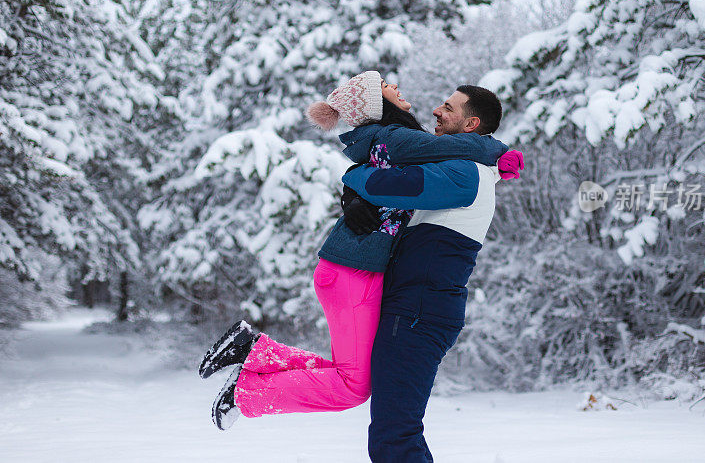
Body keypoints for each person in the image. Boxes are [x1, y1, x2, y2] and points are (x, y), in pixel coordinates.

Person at [196, 71, 520, 430]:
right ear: (377, 105)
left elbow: (424, 159)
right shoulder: (398, 138)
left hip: (356, 270)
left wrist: (355, 187)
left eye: (448, 106)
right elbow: (434, 156)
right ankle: (247, 391)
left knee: (352, 378)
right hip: (354, 270)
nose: (435, 108)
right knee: (353, 387)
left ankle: (253, 352)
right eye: (386, 87)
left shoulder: (397, 142)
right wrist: (497, 152)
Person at [341, 85, 524, 462]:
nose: (437, 110)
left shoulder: (466, 175)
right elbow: (419, 151)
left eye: (449, 107)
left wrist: (354, 173)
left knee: (395, 433)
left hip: (418, 313)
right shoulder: (458, 165)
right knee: (394, 430)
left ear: (471, 123)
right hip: (414, 308)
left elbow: (382, 185)